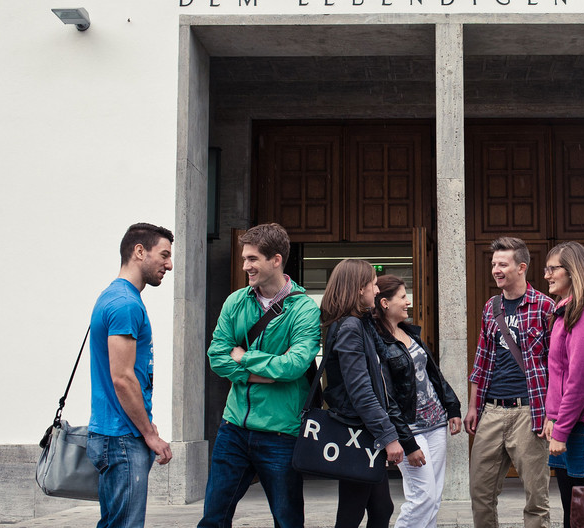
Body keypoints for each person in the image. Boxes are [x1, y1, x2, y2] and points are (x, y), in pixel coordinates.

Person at [199, 223, 321, 528]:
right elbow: (216, 357)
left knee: (287, 520)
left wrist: (245, 357)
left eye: (252, 259)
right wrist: (259, 375)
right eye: (244, 259)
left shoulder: (304, 309)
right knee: (214, 517)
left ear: (276, 260)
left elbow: (294, 366)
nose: (245, 266)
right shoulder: (235, 301)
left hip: (280, 432)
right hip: (233, 428)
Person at [86, 223, 174, 528]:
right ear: (139, 252)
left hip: (116, 433)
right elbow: (122, 377)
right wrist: (149, 434)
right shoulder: (125, 304)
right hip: (121, 438)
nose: (169, 264)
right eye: (163, 255)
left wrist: (145, 422)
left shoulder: (114, 296)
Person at [465, 236, 555, 528]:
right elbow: (481, 360)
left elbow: (557, 365)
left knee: (536, 498)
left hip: (529, 412)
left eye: (503, 264)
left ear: (521, 267)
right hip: (492, 410)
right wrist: (473, 406)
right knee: (480, 492)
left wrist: (552, 415)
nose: (496, 269)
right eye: (493, 264)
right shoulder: (491, 307)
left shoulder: (545, 306)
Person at [372, 274, 463, 528]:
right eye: (402, 296)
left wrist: (451, 406)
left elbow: (432, 373)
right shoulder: (376, 343)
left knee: (433, 498)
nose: (408, 301)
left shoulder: (409, 331)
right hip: (410, 430)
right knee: (421, 497)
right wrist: (407, 443)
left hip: (435, 424)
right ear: (385, 303)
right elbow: (386, 398)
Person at [320, 259, 405, 528]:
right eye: (372, 285)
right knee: (352, 512)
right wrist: (388, 436)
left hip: (363, 430)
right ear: (359, 289)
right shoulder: (349, 328)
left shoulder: (359, 324)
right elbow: (361, 391)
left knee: (381, 508)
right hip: (357, 432)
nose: (377, 290)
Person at [540, 241, 584, 528]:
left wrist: (560, 428)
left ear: (573, 272)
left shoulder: (583, 317)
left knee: (582, 517)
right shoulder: (565, 313)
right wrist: (551, 415)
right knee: (572, 513)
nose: (546, 274)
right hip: (569, 427)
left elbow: (579, 384)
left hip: (581, 430)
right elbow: (558, 373)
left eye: (552, 268)